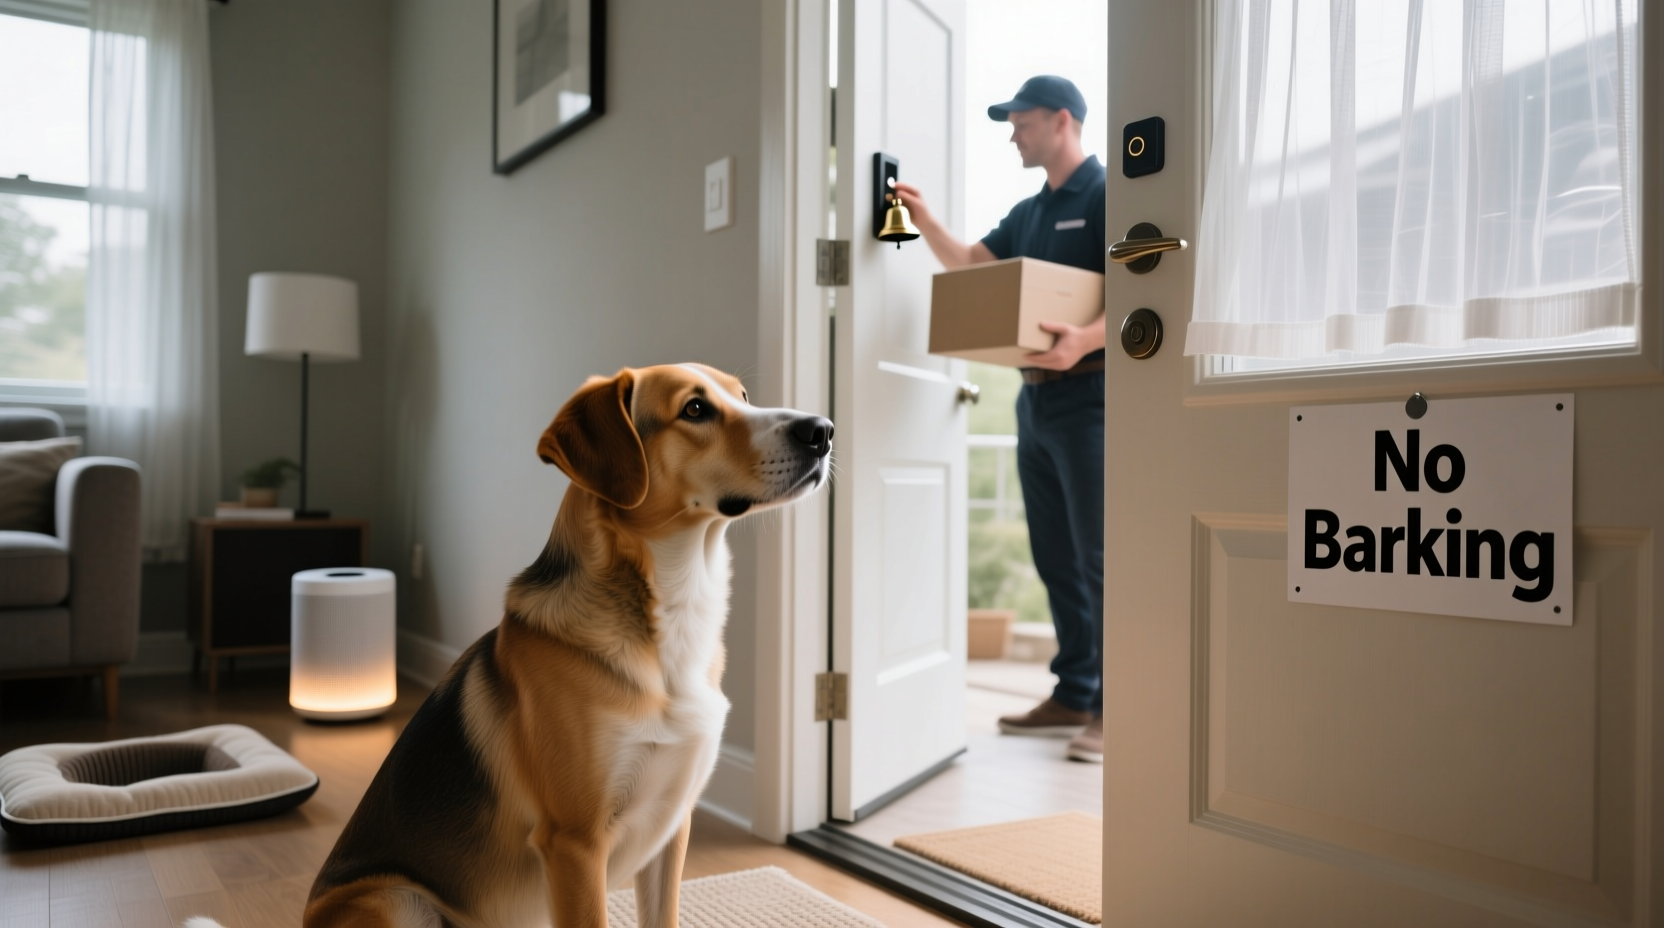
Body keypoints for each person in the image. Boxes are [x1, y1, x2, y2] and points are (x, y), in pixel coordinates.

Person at [891, 75, 1105, 764]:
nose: (1012, 132)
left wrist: (1083, 341)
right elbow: (970, 267)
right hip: (1034, 401)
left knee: (1101, 558)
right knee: (1056, 556)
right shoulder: (1029, 212)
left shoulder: (1108, 195)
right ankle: (1075, 692)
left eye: (1022, 120)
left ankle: (1117, 709)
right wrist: (923, 220)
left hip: (1094, 400)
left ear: (1062, 121)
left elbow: (1141, 290)